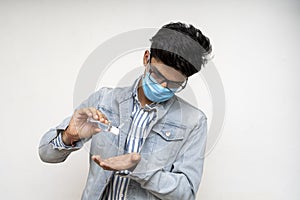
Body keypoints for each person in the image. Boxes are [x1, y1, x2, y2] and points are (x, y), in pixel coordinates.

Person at [39, 22, 212, 200]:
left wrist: (138, 168)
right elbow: (46, 154)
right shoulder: (103, 100)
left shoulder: (194, 122)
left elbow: (186, 194)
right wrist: (69, 136)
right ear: (146, 58)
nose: (162, 86)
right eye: (158, 75)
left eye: (174, 84)